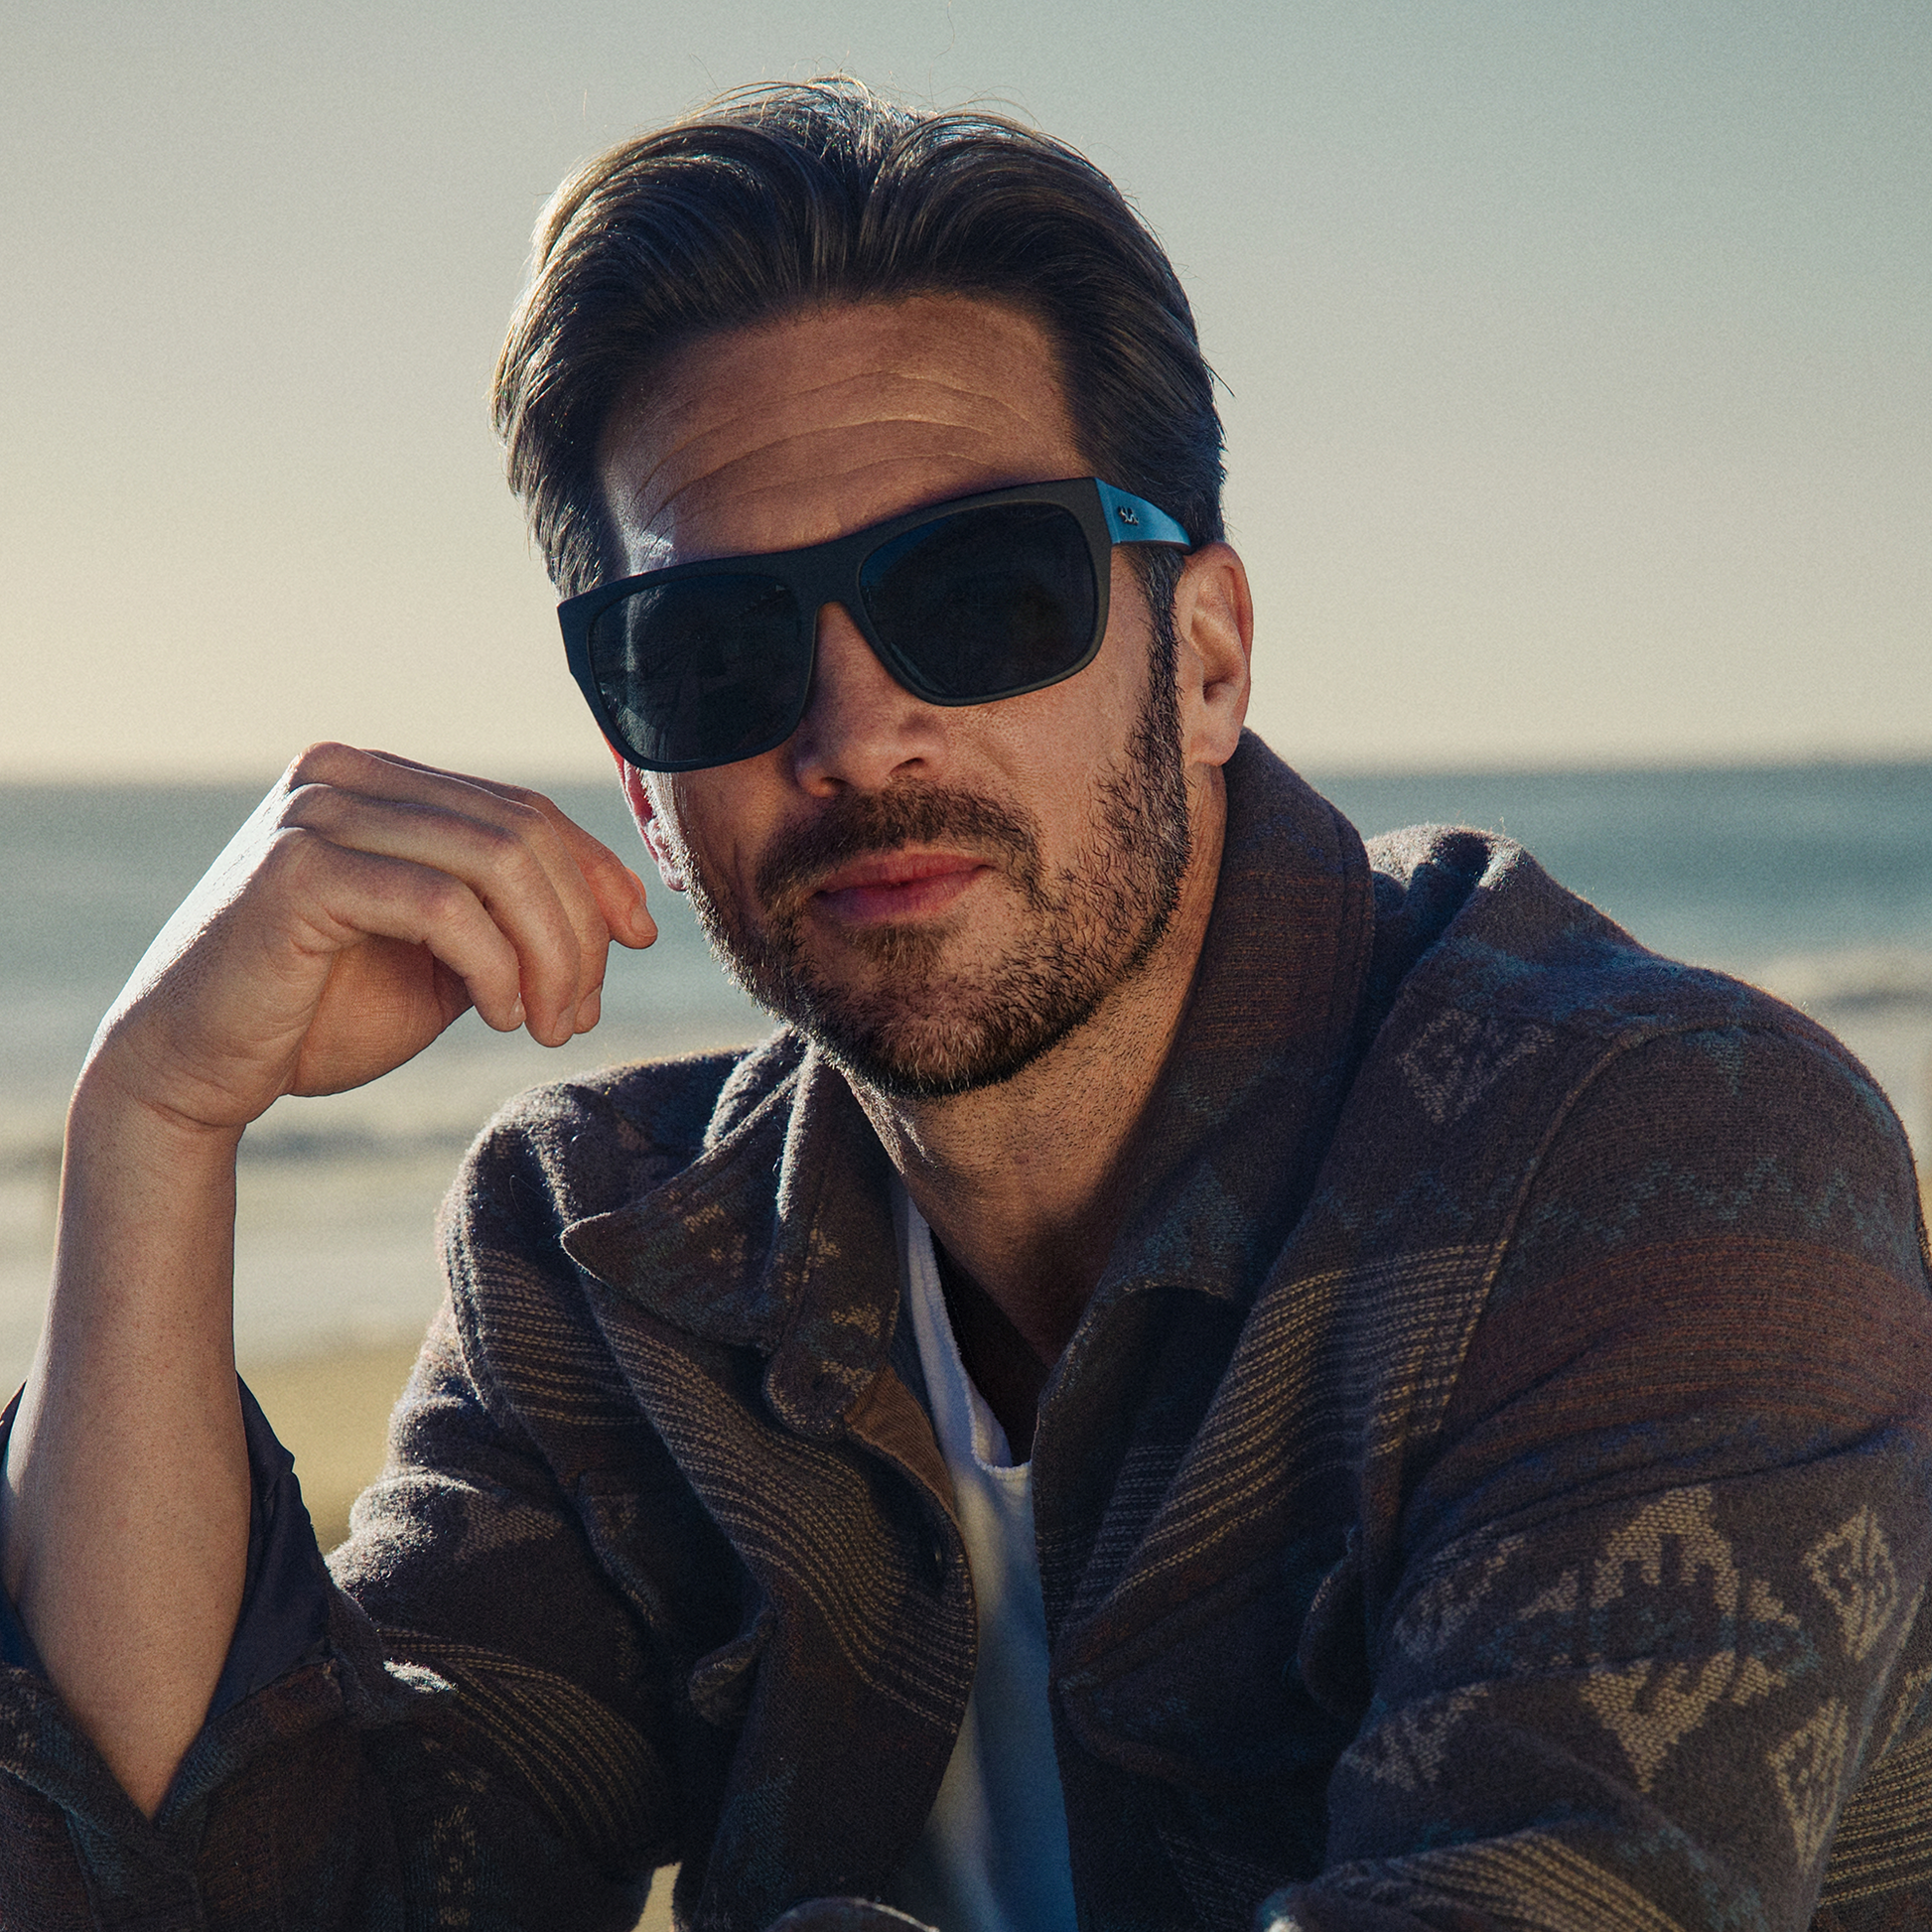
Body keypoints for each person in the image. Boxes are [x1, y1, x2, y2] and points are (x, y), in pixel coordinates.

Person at [1, 77, 1928, 1932]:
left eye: (985, 592)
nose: (857, 731)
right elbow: (265, 1894)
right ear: (643, 781)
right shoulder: (608, 1261)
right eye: (720, 646)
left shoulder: (1661, 1166)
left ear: (1207, 656)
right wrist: (152, 1124)